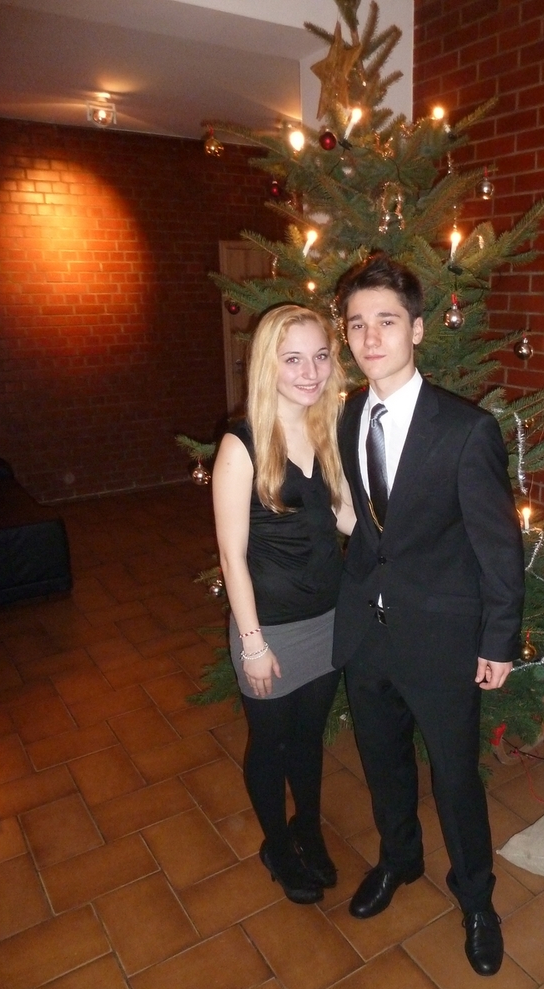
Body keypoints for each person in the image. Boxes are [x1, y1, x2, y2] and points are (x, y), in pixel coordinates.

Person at [332, 254, 525, 976]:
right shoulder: (349, 414)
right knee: (382, 762)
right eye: (357, 324)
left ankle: (476, 898)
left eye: (386, 321)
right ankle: (400, 859)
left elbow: (498, 545)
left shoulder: (465, 430)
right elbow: (370, 524)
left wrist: (498, 640)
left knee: (454, 778)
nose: (370, 337)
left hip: (443, 638)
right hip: (368, 633)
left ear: (416, 329)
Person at [212, 303, 355, 905]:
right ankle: (277, 842)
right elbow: (231, 556)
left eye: (320, 356)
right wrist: (252, 645)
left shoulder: (327, 431)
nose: (310, 371)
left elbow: (345, 518)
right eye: (293, 359)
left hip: (328, 618)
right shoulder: (241, 444)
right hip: (269, 627)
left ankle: (308, 829)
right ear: (268, 365)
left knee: (308, 737)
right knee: (270, 744)